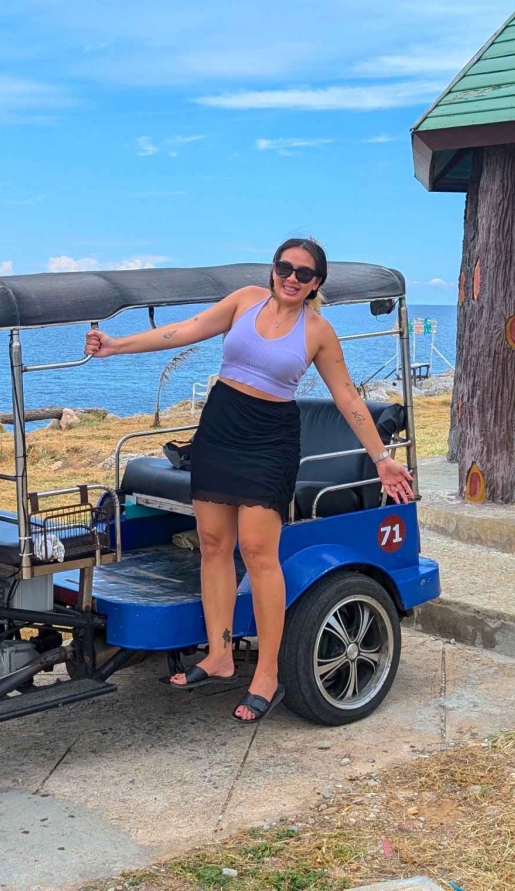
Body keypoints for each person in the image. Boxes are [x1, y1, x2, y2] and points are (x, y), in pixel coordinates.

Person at [86, 239, 414, 722]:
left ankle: (266, 673)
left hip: (270, 440)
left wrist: (382, 457)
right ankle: (219, 655)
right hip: (220, 427)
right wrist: (116, 346)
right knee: (214, 544)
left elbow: (346, 396)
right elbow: (185, 330)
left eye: (304, 273)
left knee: (259, 555)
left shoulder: (318, 331)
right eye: (285, 267)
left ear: (316, 283)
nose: (292, 277)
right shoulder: (243, 300)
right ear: (273, 269)